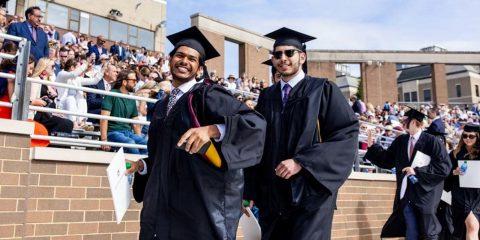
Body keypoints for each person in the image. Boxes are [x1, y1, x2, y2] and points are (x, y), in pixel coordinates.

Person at [125, 26, 266, 240]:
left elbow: (254, 122)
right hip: (161, 207)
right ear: (170, 60)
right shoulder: (163, 105)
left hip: (197, 207)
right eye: (180, 55)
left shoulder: (207, 95)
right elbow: (163, 156)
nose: (184, 61)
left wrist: (212, 130)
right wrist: (142, 165)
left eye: (192, 59)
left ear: (199, 69)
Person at [244, 27, 359, 240]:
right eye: (277, 54)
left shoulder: (323, 90)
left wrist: (301, 161)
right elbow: (257, 144)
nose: (283, 58)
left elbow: (346, 134)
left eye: (289, 53)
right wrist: (250, 190)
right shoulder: (267, 96)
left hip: (311, 195)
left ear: (302, 56)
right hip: (273, 195)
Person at [365, 108, 451, 239]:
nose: (403, 122)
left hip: (425, 194)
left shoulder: (432, 141)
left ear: (416, 122)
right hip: (406, 193)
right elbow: (387, 160)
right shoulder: (401, 141)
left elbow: (444, 167)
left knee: (428, 232)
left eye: (406, 120)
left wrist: (417, 172)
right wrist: (373, 147)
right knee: (410, 231)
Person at [444, 123, 480, 240]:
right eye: (465, 136)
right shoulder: (455, 154)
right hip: (461, 195)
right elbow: (446, 173)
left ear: (478, 137)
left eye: (471, 136)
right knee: (472, 226)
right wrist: (454, 172)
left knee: (472, 228)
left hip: (478, 196)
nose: (467, 139)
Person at [100, 70, 147, 155]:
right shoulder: (112, 94)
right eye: (133, 80)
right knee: (130, 143)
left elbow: (135, 122)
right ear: (124, 82)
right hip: (113, 132)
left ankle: (143, 167)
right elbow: (104, 118)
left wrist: (139, 137)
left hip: (128, 132)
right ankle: (136, 167)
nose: (135, 83)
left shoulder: (131, 98)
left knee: (145, 144)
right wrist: (104, 139)